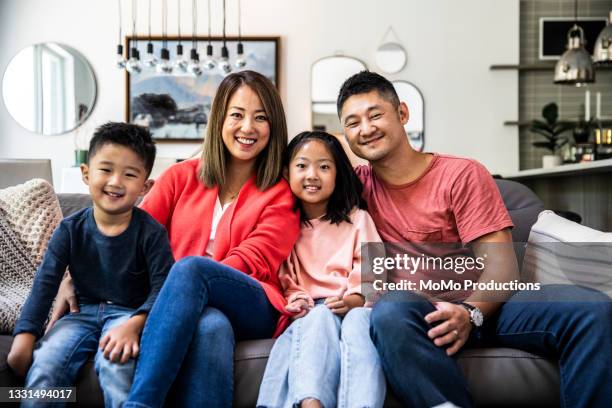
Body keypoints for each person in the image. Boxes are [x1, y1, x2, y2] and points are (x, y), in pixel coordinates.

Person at [336, 71, 612, 408]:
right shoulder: (351, 186)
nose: (365, 128)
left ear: (403, 114)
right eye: (352, 123)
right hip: (418, 315)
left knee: (591, 308)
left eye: (375, 114)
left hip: (490, 308)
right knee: (389, 308)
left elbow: (502, 268)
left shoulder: (460, 174)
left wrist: (470, 314)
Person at [117, 70, 300, 407]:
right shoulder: (179, 177)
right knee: (210, 328)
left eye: (260, 118)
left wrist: (191, 284)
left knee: (191, 270)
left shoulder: (281, 193)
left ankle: (140, 403)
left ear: (273, 127)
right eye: (237, 115)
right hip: (187, 304)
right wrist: (77, 275)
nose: (248, 128)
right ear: (219, 120)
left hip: (252, 301)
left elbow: (254, 258)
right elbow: (131, 238)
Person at [7, 122, 174, 408]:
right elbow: (45, 284)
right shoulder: (69, 231)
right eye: (106, 169)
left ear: (146, 186)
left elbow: (164, 287)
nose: (115, 181)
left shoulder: (151, 233)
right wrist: (25, 335)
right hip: (79, 314)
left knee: (117, 364)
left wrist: (137, 323)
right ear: (86, 173)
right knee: (46, 363)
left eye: (130, 174)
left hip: (128, 316)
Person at [257, 131, 386, 408]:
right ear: (286, 172)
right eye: (302, 166)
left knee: (358, 322)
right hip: (308, 315)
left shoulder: (357, 219)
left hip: (352, 307)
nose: (312, 175)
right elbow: (284, 279)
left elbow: (375, 272)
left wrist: (355, 299)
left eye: (324, 167)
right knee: (316, 319)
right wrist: (297, 300)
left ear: (339, 174)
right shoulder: (283, 224)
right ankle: (311, 402)